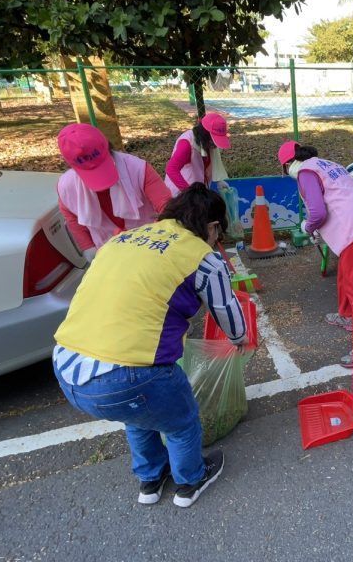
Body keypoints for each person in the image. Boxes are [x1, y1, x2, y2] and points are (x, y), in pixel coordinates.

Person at [53, 183, 247, 508]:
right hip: (130, 378)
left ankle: (150, 480)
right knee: (182, 421)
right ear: (213, 227)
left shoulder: (121, 240)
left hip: (68, 369)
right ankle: (190, 482)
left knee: (140, 412)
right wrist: (239, 340)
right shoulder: (203, 258)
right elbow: (227, 311)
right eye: (219, 233)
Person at [277, 141, 353, 367]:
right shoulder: (325, 164)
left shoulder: (305, 172)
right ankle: (346, 315)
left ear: (288, 165)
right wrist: (316, 227)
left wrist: (308, 226)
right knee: (347, 273)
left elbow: (317, 211)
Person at [56, 124, 172, 258]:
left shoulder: (138, 169)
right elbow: (72, 218)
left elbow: (167, 207)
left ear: (106, 146)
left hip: (151, 244)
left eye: (101, 167)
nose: (101, 182)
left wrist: (148, 236)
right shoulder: (67, 186)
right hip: (108, 253)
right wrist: (89, 248)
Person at [165, 112, 231, 194]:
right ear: (205, 134)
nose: (214, 145)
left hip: (199, 190)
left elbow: (209, 164)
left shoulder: (208, 143)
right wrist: (189, 192)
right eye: (213, 140)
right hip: (180, 193)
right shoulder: (187, 144)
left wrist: (219, 181)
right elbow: (171, 169)